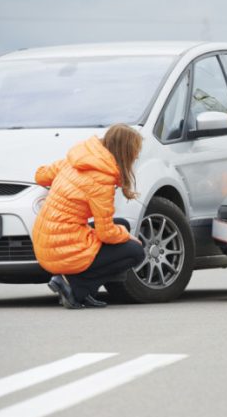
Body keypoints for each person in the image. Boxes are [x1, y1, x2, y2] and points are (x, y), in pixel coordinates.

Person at [32, 124, 146, 309]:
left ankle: (78, 286)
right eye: (135, 152)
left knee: (122, 223)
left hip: (45, 239)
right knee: (135, 251)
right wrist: (127, 235)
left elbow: (40, 175)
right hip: (61, 248)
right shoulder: (102, 179)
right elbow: (106, 233)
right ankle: (75, 287)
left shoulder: (79, 159)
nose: (136, 156)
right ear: (125, 152)